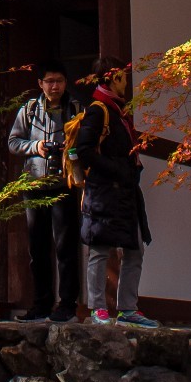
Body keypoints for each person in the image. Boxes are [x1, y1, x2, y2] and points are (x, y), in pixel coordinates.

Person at [71, 55, 157, 328]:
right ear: (112, 77)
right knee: (99, 249)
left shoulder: (118, 112)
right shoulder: (99, 110)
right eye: (123, 76)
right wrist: (116, 170)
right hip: (105, 191)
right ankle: (98, 308)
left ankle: (128, 308)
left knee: (135, 249)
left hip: (126, 192)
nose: (126, 82)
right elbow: (84, 151)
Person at [8, 62, 82, 322]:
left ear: (65, 82)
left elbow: (85, 142)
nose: (54, 86)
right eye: (49, 81)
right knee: (37, 249)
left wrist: (69, 150)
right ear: (40, 84)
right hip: (34, 184)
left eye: (59, 81)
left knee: (66, 247)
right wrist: (36, 146)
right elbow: (13, 142)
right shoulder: (28, 110)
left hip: (64, 185)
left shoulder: (75, 108)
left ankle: (68, 305)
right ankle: (41, 304)